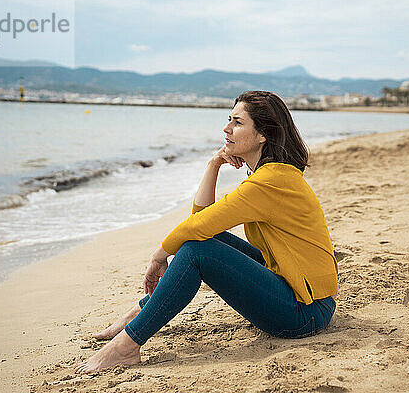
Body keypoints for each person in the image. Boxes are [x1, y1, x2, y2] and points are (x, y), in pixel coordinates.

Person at [74, 90, 338, 374]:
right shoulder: (272, 175)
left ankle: (126, 346)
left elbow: (196, 227)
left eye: (237, 122)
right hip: (300, 290)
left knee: (196, 249)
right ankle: (140, 313)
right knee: (200, 243)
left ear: (263, 134)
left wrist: (159, 255)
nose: (226, 129)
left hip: (305, 312)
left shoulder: (270, 182)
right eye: (229, 120)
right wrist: (214, 164)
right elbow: (201, 223)